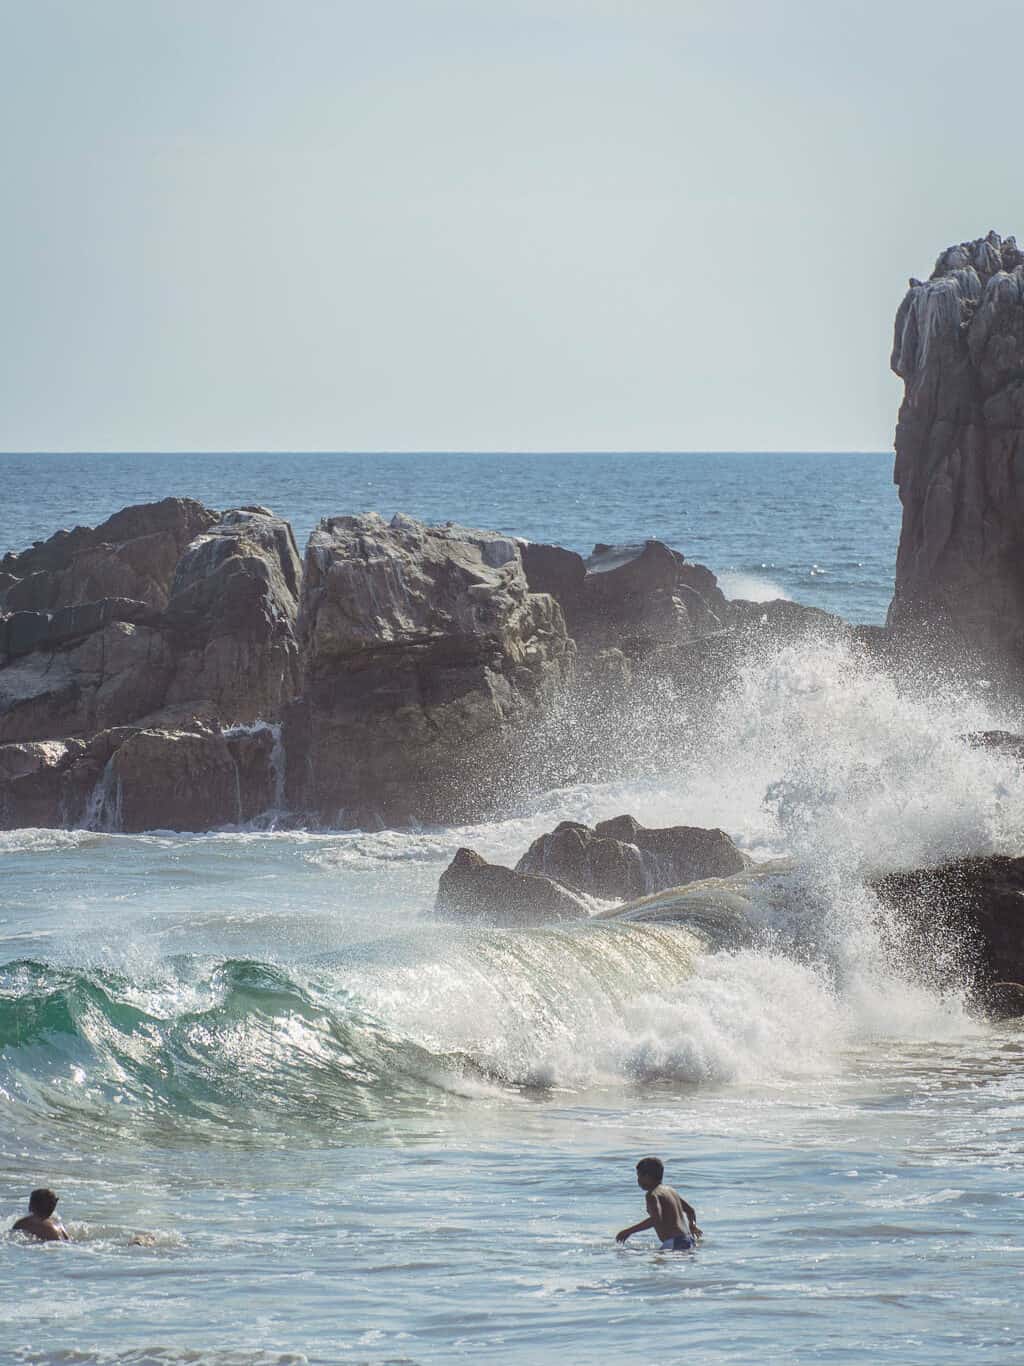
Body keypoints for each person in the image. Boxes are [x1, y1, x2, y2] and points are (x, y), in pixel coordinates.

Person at [615, 1156, 701, 1250]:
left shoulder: (652, 1194)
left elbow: (656, 1219)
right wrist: (692, 1226)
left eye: (639, 1176)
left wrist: (628, 1231)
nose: (638, 1180)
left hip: (674, 1242)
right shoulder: (671, 1191)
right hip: (688, 1240)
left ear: (647, 1176)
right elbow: (690, 1211)